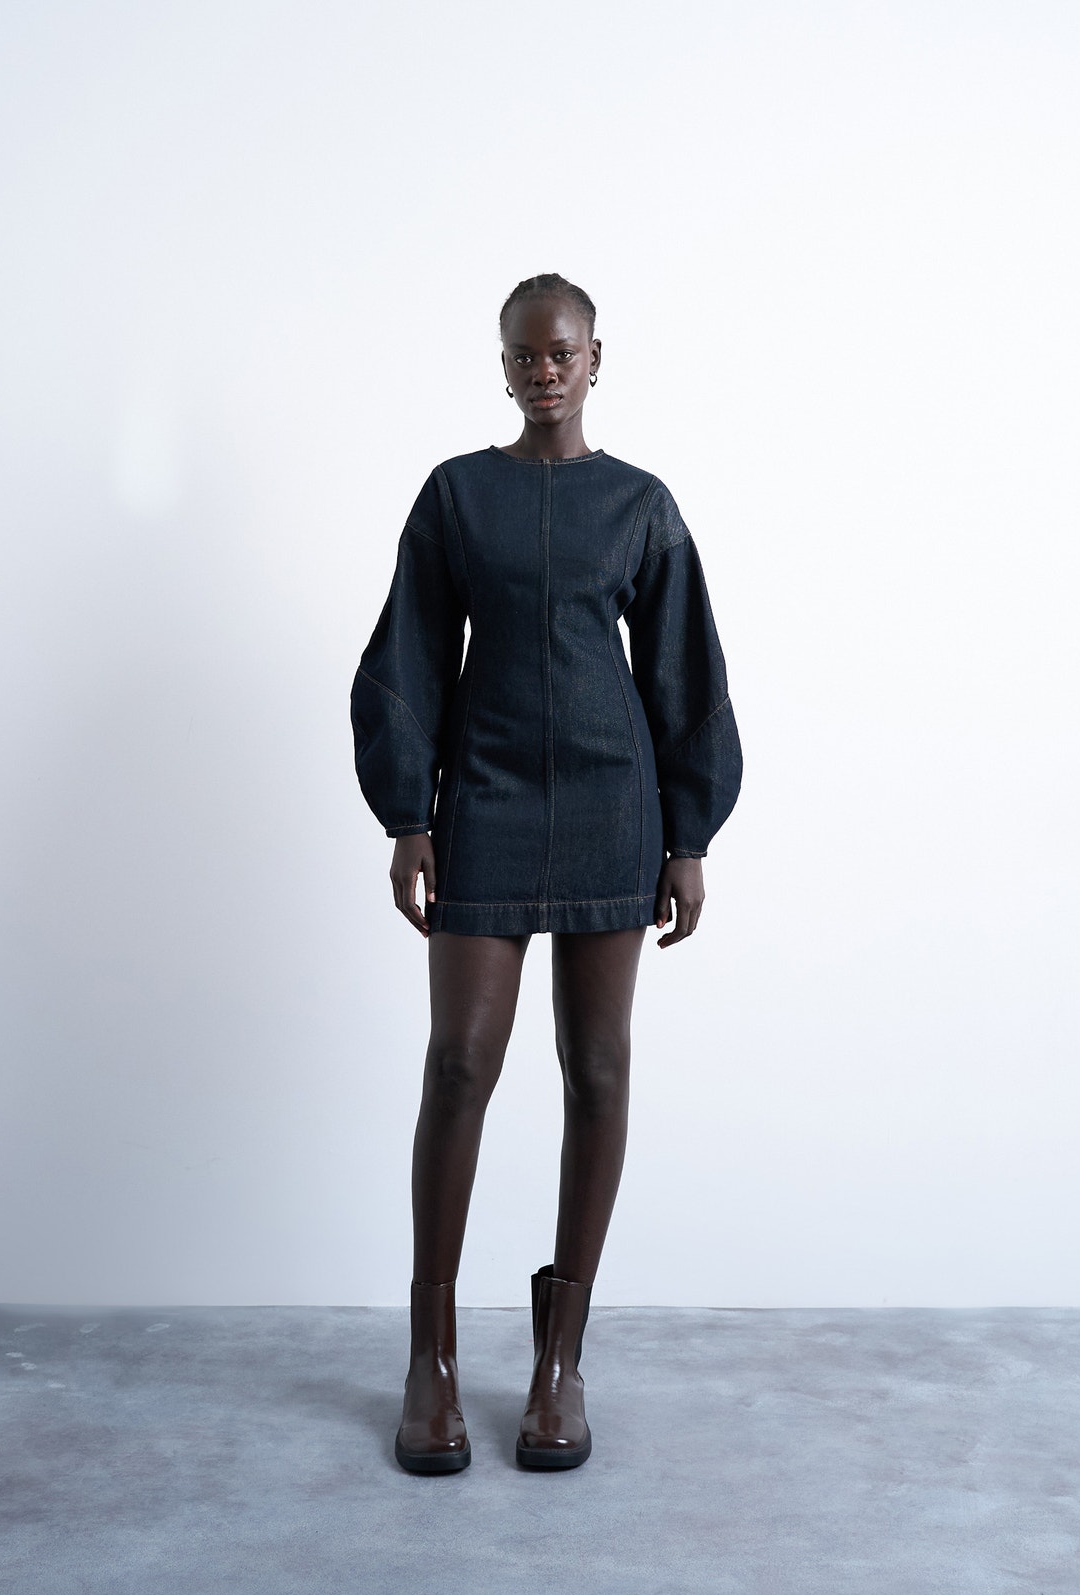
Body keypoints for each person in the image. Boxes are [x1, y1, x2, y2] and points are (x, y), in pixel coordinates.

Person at [350, 273, 742, 1474]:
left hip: (614, 805)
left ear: (595, 358)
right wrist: (405, 815)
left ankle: (559, 1363)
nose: (543, 371)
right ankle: (429, 1360)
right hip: (484, 798)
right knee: (459, 1062)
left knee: (598, 1068)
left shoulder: (640, 505)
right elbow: (410, 652)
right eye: (523, 355)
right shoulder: (455, 495)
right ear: (503, 364)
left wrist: (687, 835)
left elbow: (684, 672)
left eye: (561, 352)